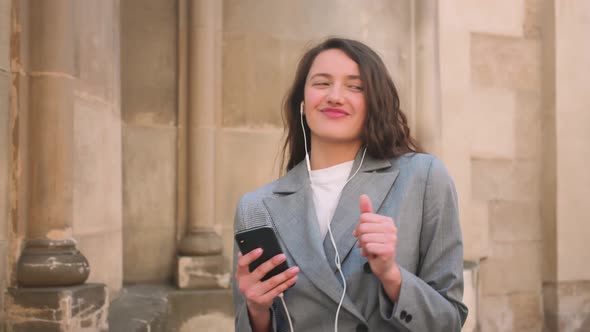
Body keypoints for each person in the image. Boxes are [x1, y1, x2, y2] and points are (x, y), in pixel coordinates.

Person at [232, 37, 468, 332]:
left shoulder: (423, 178)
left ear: (373, 103)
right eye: (321, 83)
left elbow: (449, 321)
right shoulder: (256, 207)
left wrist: (392, 276)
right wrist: (256, 310)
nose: (335, 96)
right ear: (302, 104)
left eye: (355, 86)